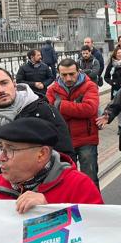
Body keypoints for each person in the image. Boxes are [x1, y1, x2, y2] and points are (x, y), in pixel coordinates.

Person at [0, 66, 75, 197]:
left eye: (4, 83)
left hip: (47, 199)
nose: (1, 90)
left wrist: (50, 198)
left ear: (14, 84)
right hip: (0, 202)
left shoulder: (44, 111)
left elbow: (66, 158)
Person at [0, 117, 103, 211]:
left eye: (10, 149)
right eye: (1, 148)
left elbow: (96, 233)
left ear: (42, 154)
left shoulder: (79, 186)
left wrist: (49, 210)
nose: (0, 157)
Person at [46, 58, 100, 186]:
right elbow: (50, 114)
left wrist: (61, 106)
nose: (68, 78)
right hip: (63, 141)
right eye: (64, 75)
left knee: (90, 180)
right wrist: (76, 107)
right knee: (66, 181)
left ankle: (93, 206)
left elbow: (90, 109)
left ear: (78, 71)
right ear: (58, 73)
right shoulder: (52, 90)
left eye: (72, 74)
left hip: (86, 139)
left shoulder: (90, 86)